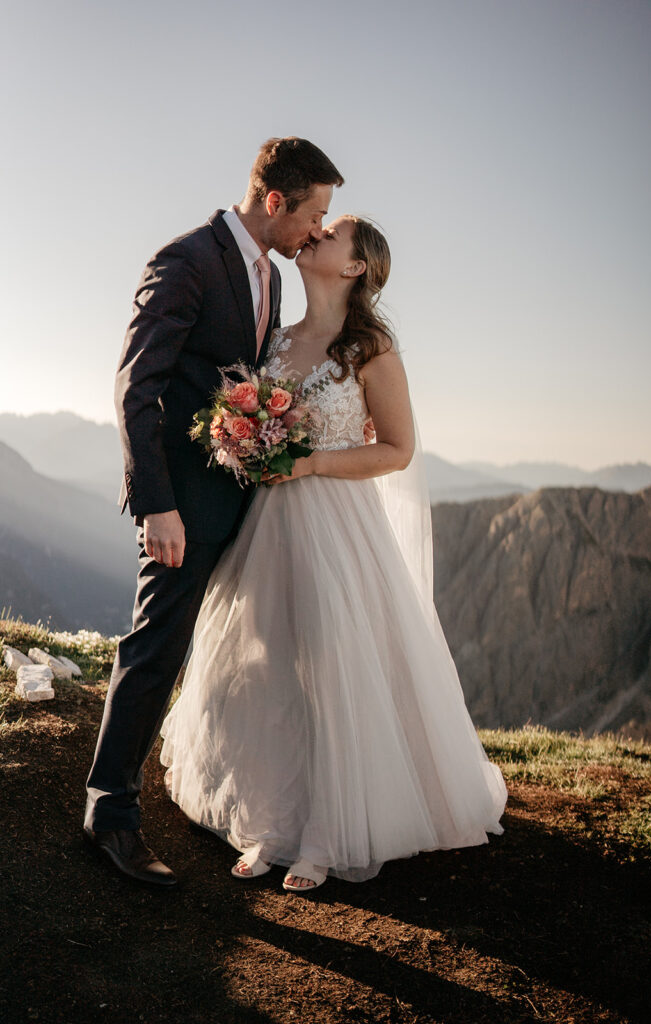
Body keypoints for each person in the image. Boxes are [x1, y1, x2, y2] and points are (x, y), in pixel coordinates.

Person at [159, 215, 508, 892]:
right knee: (265, 661)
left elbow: (396, 450)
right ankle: (266, 820)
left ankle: (325, 832)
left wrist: (311, 461)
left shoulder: (370, 348)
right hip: (268, 525)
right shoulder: (279, 337)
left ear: (355, 267)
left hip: (336, 524)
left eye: (332, 232)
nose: (314, 233)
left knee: (332, 665)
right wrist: (243, 439)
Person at [83, 138, 344, 886]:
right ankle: (111, 813)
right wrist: (156, 504)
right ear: (275, 202)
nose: (317, 231)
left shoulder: (270, 276)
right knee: (156, 643)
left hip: (245, 503)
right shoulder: (187, 259)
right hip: (184, 505)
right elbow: (137, 387)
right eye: (314, 213)